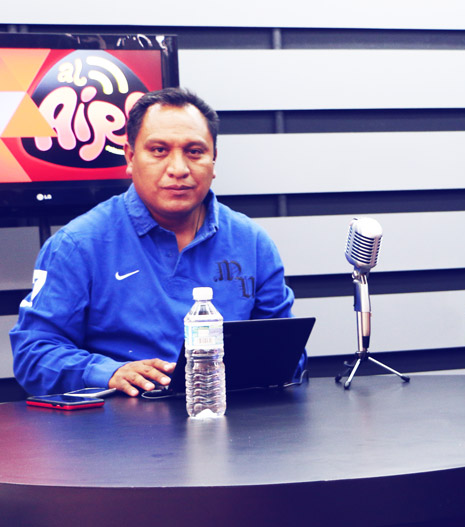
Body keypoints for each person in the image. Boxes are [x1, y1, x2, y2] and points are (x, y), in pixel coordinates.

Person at [10, 87, 301, 396]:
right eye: (159, 150)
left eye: (195, 151)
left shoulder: (252, 243)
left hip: (230, 416)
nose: (178, 169)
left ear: (213, 160)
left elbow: (288, 353)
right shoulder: (77, 245)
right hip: (119, 420)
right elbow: (34, 354)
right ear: (130, 157)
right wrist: (109, 372)